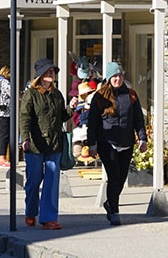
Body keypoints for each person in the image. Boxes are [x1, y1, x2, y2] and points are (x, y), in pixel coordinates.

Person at [19, 56, 78, 230]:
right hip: (35, 145)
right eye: (49, 71)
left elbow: (61, 117)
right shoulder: (31, 94)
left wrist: (71, 108)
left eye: (53, 71)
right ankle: (30, 211)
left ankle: (48, 218)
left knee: (52, 182)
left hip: (54, 143)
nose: (52, 73)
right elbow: (25, 118)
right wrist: (25, 138)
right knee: (34, 180)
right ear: (40, 75)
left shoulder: (57, 94)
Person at [87, 60, 147, 225]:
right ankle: (114, 210)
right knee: (113, 176)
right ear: (108, 78)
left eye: (120, 75)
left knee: (121, 178)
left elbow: (138, 120)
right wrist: (91, 144)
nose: (118, 79)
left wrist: (142, 138)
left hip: (126, 141)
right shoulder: (100, 97)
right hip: (107, 142)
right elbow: (92, 122)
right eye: (114, 76)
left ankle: (109, 202)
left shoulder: (131, 95)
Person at [0, 65, 12, 167]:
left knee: (3, 136)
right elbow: (12, 94)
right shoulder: (5, 83)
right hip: (3, 114)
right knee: (4, 136)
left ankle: (2, 158)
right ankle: (1, 159)